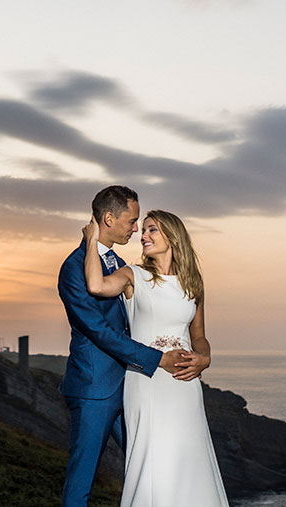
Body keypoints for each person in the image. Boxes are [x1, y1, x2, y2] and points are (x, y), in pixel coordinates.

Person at [83, 209, 228, 506]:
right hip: (147, 380)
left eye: (152, 230)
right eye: (143, 230)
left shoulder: (193, 283)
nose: (142, 235)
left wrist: (204, 358)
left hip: (185, 384)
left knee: (188, 456)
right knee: (153, 458)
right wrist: (91, 241)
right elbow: (96, 286)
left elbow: (199, 335)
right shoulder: (133, 276)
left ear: (172, 237)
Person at [58, 186, 188, 507]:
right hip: (94, 390)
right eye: (131, 221)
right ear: (109, 218)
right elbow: (100, 331)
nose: (135, 229)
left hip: (129, 387)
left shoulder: (119, 263)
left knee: (147, 465)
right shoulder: (73, 269)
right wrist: (157, 360)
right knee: (81, 481)